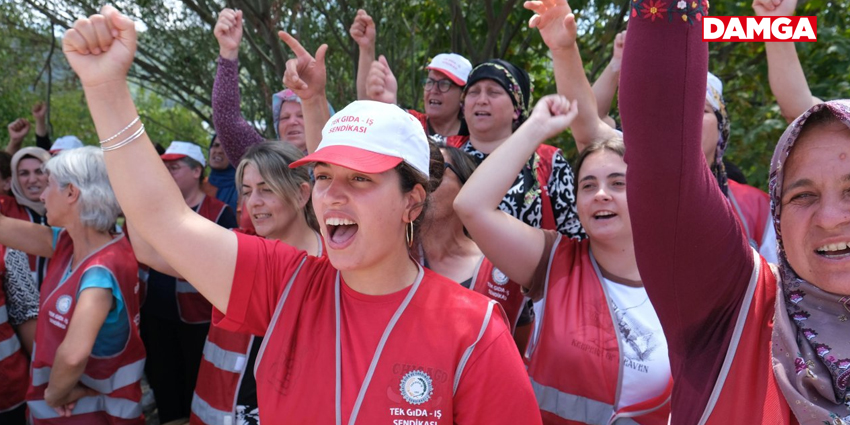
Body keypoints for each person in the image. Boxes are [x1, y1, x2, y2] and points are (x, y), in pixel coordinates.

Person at [62, 8, 542, 423]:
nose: (332, 195)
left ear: (412, 201)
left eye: (360, 179)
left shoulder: (474, 330)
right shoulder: (284, 283)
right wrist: (106, 89)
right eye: (325, 175)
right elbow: (163, 222)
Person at [619, 0, 850, 421]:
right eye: (802, 195)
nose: (830, 217)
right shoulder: (736, 311)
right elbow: (662, 152)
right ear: (778, 217)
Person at [455, 90, 672, 423]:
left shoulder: (682, 285)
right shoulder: (553, 260)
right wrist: (537, 126)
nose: (600, 194)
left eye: (617, 183)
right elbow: (471, 206)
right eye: (587, 185)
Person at [133, 141, 321, 425]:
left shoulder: (335, 265)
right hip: (218, 412)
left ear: (301, 193)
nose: (253, 202)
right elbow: (149, 251)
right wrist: (132, 173)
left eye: (266, 189)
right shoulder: (236, 249)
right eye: (246, 192)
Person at [0, 146, 144, 423]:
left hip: (93, 413)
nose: (42, 196)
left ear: (71, 193)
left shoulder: (100, 272)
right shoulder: (71, 242)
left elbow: (73, 356)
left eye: (49, 186)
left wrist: (55, 394)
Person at [139, 140, 237, 424]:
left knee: (195, 381)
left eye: (175, 167)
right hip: (154, 313)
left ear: (196, 172)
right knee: (162, 380)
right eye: (164, 167)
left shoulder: (220, 212)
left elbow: (225, 266)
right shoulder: (152, 210)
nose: (167, 172)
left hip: (199, 318)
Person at [420, 145, 533, 340]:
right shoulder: (392, 257)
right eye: (419, 172)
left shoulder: (502, 267)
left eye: (435, 171)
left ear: (468, 186)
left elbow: (517, 344)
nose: (423, 182)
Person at [212, 8, 333, 161]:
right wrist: (228, 52)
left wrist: (314, 98)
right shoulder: (267, 162)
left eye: (302, 115)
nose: (292, 122)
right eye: (284, 118)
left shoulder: (348, 164)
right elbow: (227, 120)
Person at [356, 8, 472, 143]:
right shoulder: (411, 123)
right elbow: (367, 112)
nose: (434, 90)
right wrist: (366, 48)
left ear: (463, 95)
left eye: (444, 84)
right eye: (430, 82)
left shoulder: (477, 136)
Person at [0, 243, 39, 425]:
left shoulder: (8, 244)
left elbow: (27, 313)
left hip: (8, 393)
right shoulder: (8, 244)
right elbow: (28, 313)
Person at [2, 147, 51, 287]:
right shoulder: (5, 208)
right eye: (23, 173)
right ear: (14, 179)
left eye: (39, 171)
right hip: (14, 306)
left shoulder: (67, 211)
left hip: (60, 303)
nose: (32, 180)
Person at [203, 134, 239, 211]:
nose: (219, 151)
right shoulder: (198, 186)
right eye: (215, 145)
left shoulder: (242, 191)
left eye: (227, 148)